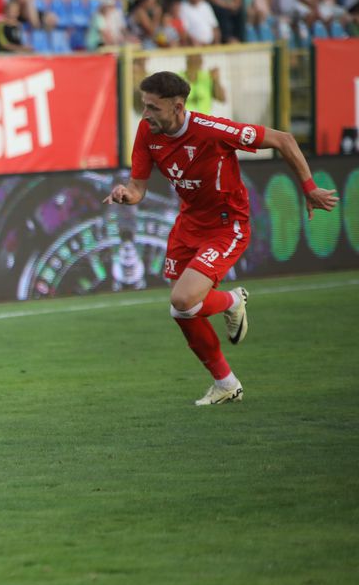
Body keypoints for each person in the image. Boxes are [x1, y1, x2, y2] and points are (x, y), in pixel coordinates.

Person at [104, 71, 338, 406]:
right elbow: (138, 188)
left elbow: (284, 139)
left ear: (178, 106)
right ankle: (226, 383)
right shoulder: (147, 132)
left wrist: (309, 188)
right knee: (181, 310)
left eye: (153, 107)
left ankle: (231, 301)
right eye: (144, 106)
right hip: (189, 224)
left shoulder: (213, 130)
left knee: (184, 300)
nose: (145, 114)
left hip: (227, 225)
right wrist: (126, 194)